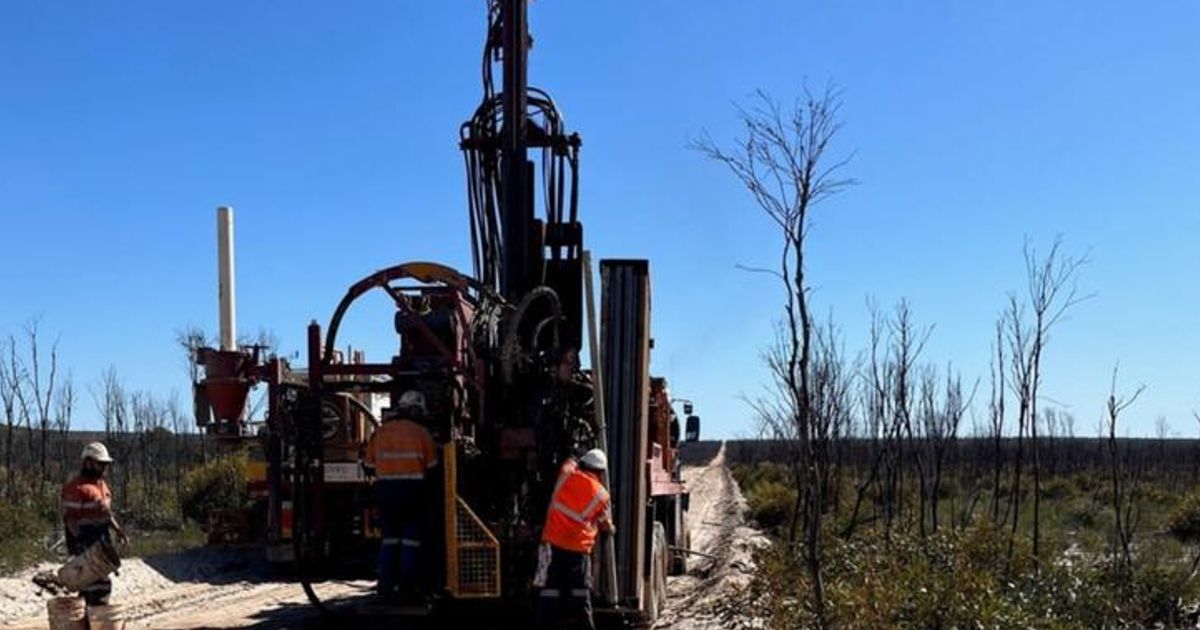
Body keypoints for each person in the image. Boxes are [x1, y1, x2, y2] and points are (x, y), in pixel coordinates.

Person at [363, 390, 438, 600]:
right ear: (416, 411)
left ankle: (385, 588)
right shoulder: (422, 433)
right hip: (413, 493)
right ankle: (407, 587)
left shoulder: (381, 432)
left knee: (389, 540)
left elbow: (368, 465)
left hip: (386, 493)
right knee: (411, 541)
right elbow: (433, 467)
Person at [534, 448, 615, 630]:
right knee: (580, 594)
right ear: (601, 472)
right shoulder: (602, 494)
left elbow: (569, 462)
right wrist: (611, 528)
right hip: (578, 550)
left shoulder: (566, 474)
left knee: (549, 592)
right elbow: (604, 523)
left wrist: (575, 455)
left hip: (552, 544)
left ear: (584, 464)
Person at [60, 442, 128, 606]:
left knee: (99, 585)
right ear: (88, 462)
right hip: (85, 545)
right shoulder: (75, 488)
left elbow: (105, 513)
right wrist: (81, 546)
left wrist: (118, 530)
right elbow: (70, 519)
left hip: (102, 543)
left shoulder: (101, 485)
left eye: (104, 464)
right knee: (94, 587)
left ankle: (93, 617)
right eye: (100, 463)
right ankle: (95, 618)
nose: (103, 467)